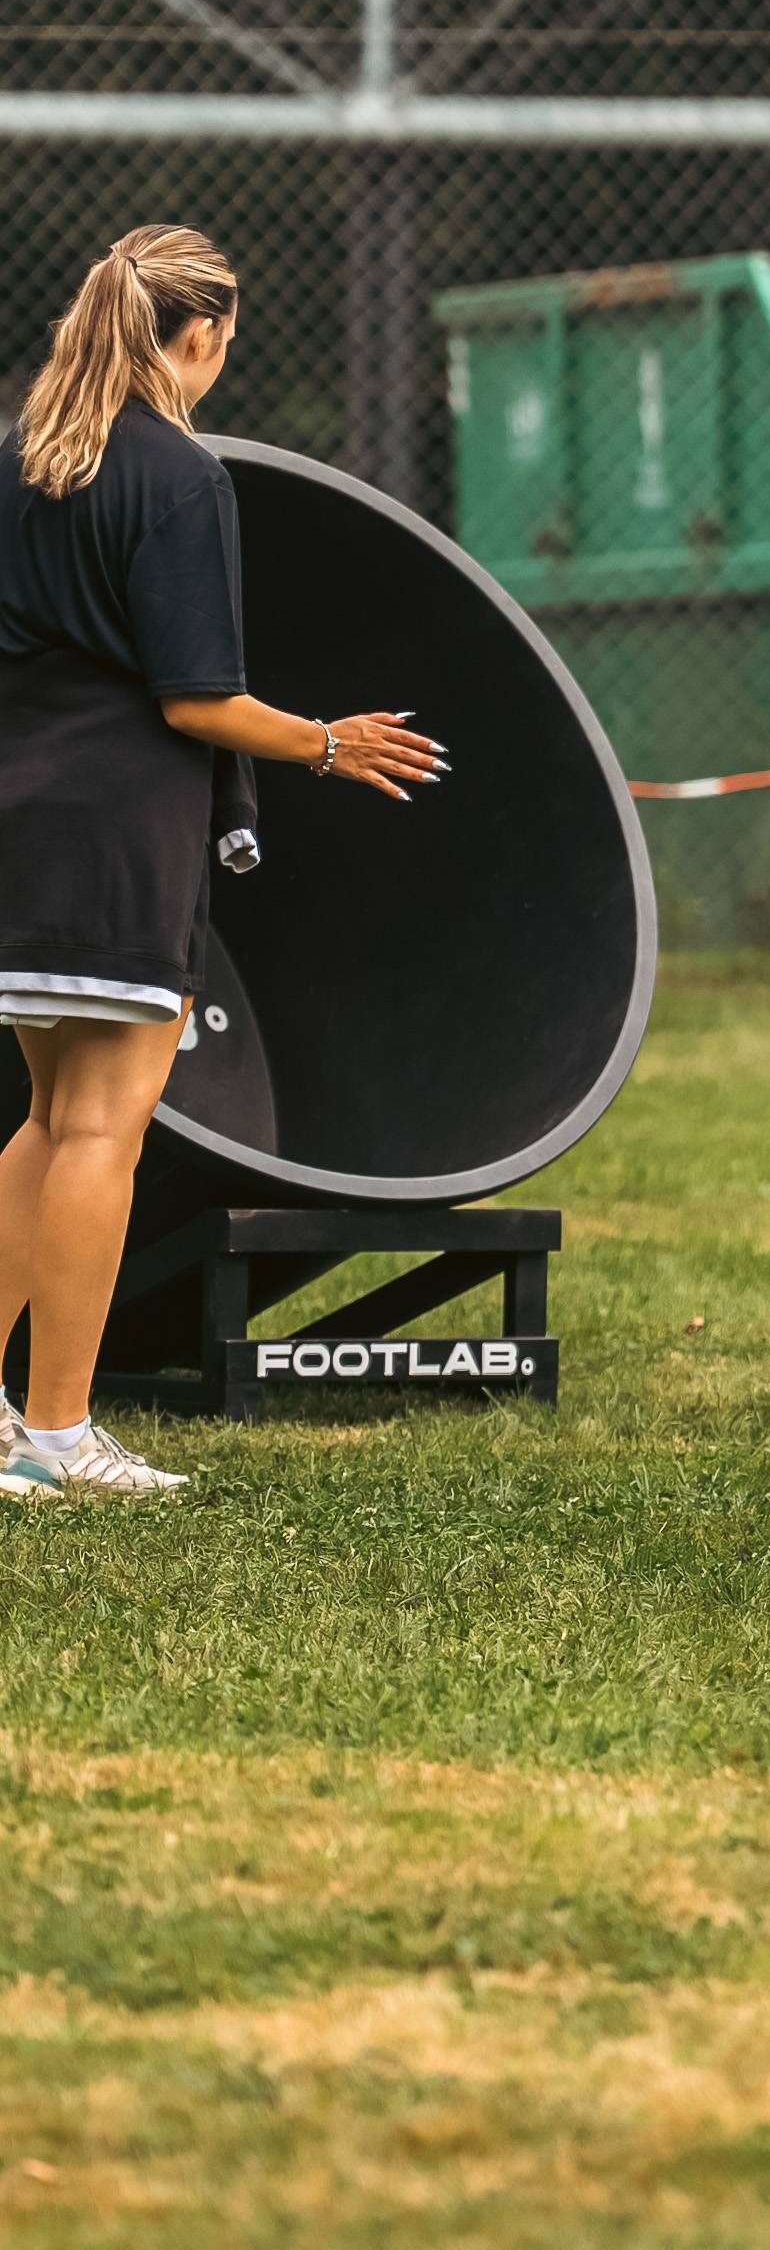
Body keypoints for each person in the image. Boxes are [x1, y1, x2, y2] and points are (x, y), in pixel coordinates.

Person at [0, 227, 443, 1503]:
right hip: (119, 843)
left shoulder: (27, 462)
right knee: (100, 1131)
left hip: (24, 833)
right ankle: (58, 1432)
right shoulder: (178, 477)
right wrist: (325, 744)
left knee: (42, 1119)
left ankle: (24, 1423)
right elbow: (198, 701)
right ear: (200, 335)